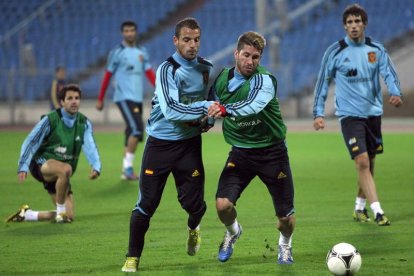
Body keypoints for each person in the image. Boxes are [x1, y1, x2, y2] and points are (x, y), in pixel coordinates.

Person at [121, 17, 215, 273]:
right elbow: (172, 110)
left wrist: (208, 119)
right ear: (175, 41)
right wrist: (206, 108)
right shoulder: (166, 69)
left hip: (189, 145)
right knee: (146, 204)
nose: (192, 45)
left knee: (195, 206)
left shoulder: (207, 68)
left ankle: (194, 228)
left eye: (196, 40)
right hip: (160, 146)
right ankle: (132, 257)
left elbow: (211, 102)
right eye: (186, 40)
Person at [207, 31, 296, 265]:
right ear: (236, 54)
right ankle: (233, 232)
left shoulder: (265, 80)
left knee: (285, 218)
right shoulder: (222, 80)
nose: (250, 61)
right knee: (222, 205)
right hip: (241, 152)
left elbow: (252, 105)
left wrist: (225, 111)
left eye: (256, 57)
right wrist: (205, 120)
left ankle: (285, 245)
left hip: (272, 153)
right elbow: (210, 103)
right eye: (246, 55)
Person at [312, 4, 403, 226]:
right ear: (344, 26)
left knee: (369, 164)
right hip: (349, 115)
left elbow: (388, 73)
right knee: (361, 161)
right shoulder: (334, 52)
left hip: (373, 114)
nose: (353, 26)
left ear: (364, 24)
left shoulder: (376, 49)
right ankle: (378, 210)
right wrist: (318, 113)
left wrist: (395, 92)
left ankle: (359, 208)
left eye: (357, 21)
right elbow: (322, 82)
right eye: (350, 22)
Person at [7, 84, 101, 223]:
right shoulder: (50, 119)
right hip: (41, 164)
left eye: (77, 98)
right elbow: (31, 141)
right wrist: (23, 165)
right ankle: (60, 212)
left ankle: (27, 215)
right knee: (65, 169)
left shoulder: (84, 123)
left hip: (61, 175)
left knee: (68, 216)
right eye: (70, 98)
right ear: (62, 102)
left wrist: (96, 166)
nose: (74, 101)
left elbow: (90, 145)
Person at [96, 20, 156, 180]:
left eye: (132, 30)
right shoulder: (117, 52)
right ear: (123, 33)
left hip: (137, 98)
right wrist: (100, 98)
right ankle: (128, 168)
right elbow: (108, 75)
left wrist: (160, 88)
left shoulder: (142, 51)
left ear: (136, 32)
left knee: (132, 132)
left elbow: (149, 73)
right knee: (137, 128)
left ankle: (125, 170)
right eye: (126, 31)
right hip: (123, 97)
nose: (129, 33)